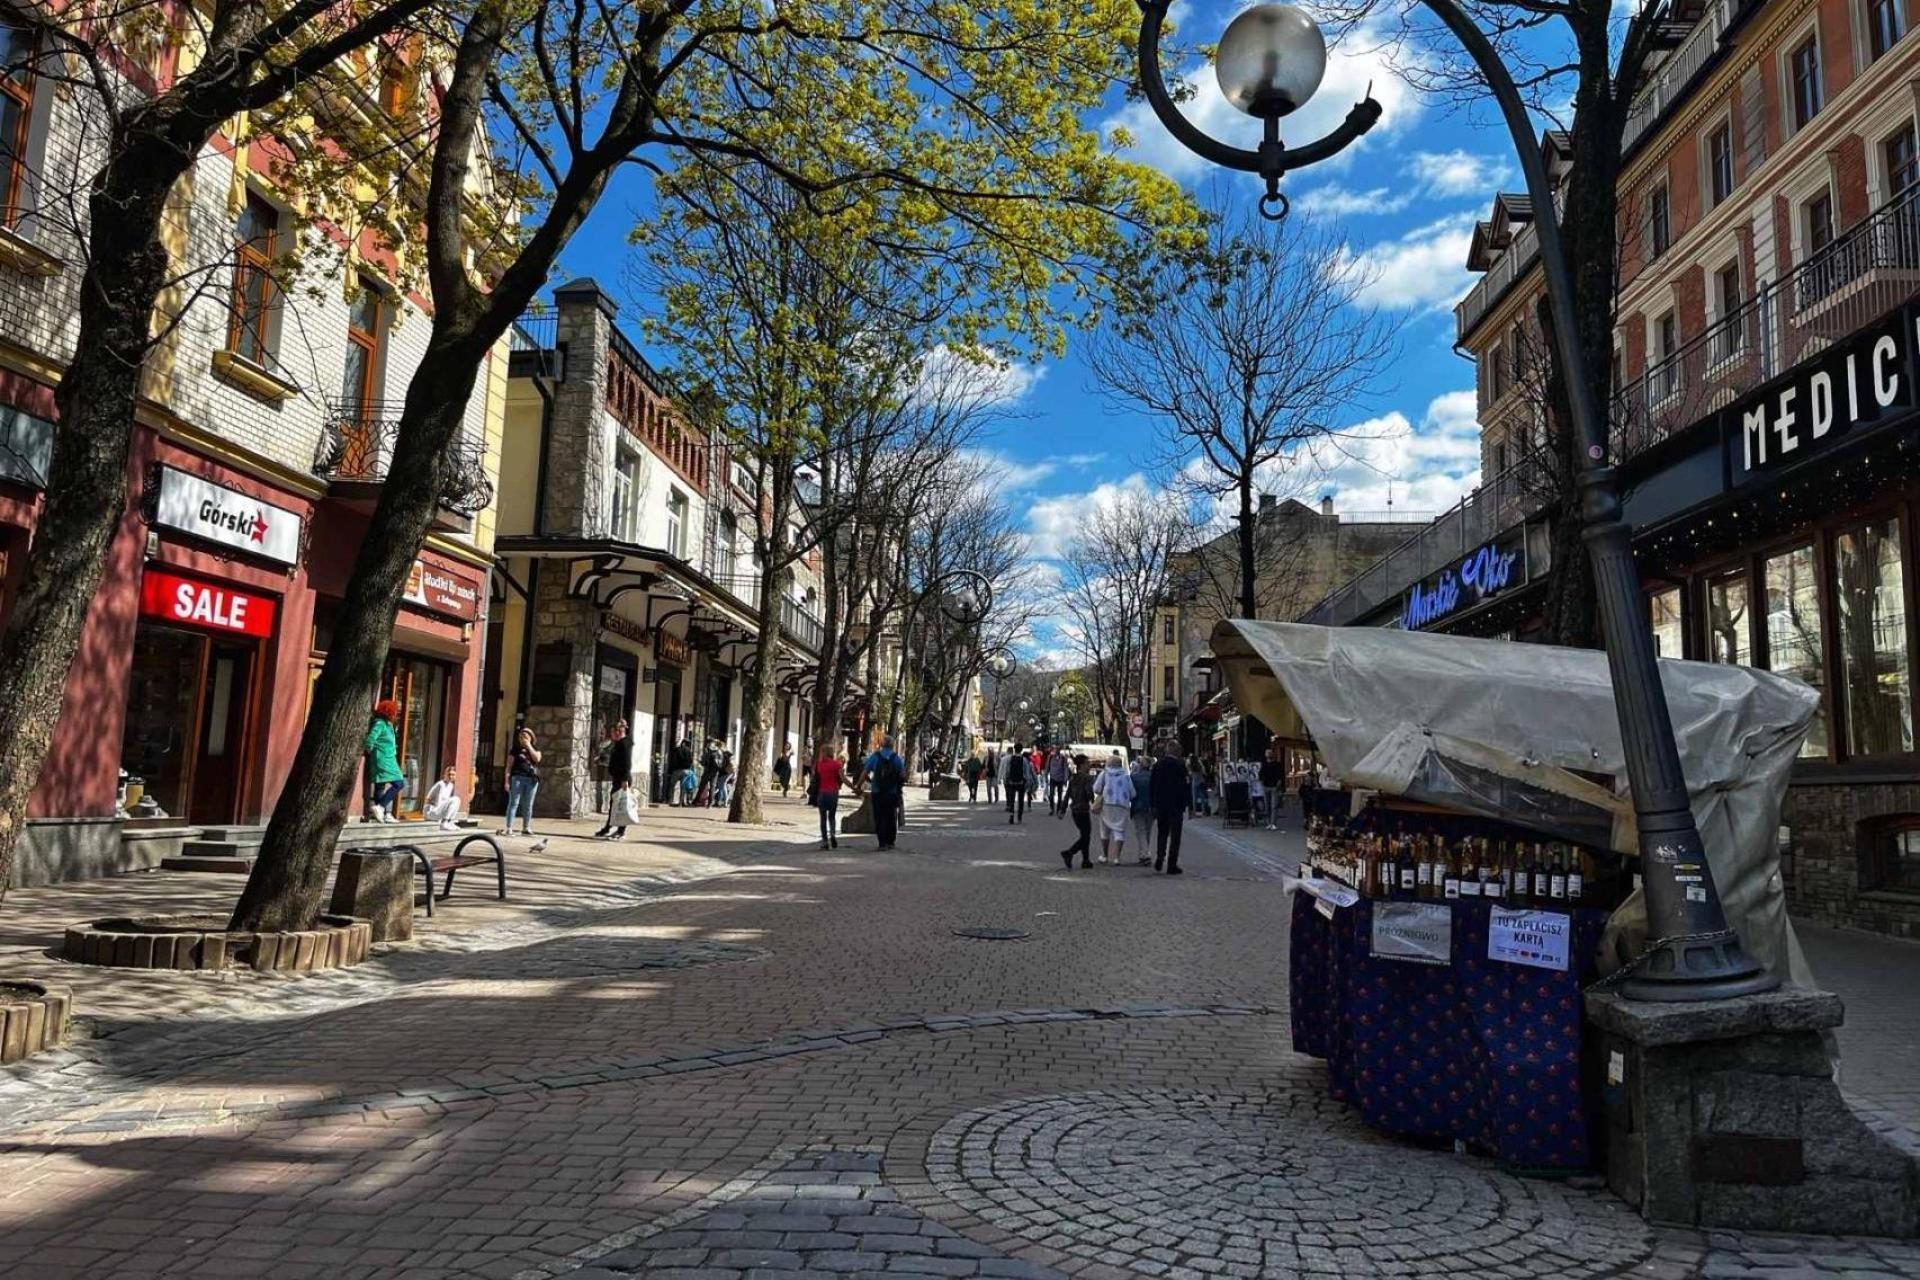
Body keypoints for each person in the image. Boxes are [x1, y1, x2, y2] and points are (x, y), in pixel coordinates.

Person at [1150, 742, 1191, 874]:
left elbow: (1152, 786)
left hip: (1161, 805)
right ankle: (1171, 864)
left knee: (1162, 833)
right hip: (1176, 806)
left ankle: (1160, 857)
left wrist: (1153, 804)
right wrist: (1187, 803)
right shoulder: (1180, 766)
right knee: (1175, 835)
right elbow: (1186, 786)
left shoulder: (1158, 765)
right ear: (1177, 751)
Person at [363, 699, 405, 823]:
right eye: (393, 712)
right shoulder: (380, 723)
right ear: (388, 712)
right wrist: (369, 750)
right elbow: (371, 738)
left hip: (388, 758)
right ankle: (380, 807)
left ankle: (384, 814)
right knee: (399, 783)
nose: (395, 714)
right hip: (382, 758)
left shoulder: (389, 724)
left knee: (380, 786)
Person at [864, 734, 906, 851]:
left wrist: (858, 786)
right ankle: (890, 842)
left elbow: (865, 771)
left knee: (879, 816)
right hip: (892, 792)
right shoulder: (897, 758)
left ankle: (882, 843)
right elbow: (902, 775)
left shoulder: (875, 756)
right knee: (891, 816)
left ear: (882, 744)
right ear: (893, 745)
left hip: (877, 791)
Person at [1092, 752, 1135, 865]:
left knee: (1104, 831)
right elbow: (1133, 793)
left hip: (1107, 804)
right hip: (1122, 806)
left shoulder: (1104, 774)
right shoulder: (1126, 777)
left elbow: (1096, 789)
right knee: (1119, 831)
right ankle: (1117, 857)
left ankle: (1105, 855)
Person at [595, 720, 634, 840]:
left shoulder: (623, 744)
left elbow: (627, 763)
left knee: (620, 804)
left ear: (618, 732)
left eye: (612, 732)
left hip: (622, 779)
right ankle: (609, 828)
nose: (611, 735)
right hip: (618, 778)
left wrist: (625, 779)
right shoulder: (620, 743)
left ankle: (620, 831)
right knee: (615, 805)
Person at [503, 726, 541, 836]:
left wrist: (529, 746)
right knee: (514, 802)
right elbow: (509, 766)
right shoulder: (515, 750)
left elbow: (537, 759)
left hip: (531, 779)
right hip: (517, 778)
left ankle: (526, 827)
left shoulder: (535, 748)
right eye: (521, 736)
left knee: (528, 804)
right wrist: (507, 781)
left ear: (531, 737)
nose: (523, 737)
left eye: (525, 736)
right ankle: (509, 827)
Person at [1059, 754, 1095, 870]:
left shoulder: (1073, 778)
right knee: (1086, 836)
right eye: (1087, 763)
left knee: (1085, 835)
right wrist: (1093, 799)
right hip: (1083, 809)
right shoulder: (1087, 778)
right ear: (1082, 765)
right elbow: (1088, 793)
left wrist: (1062, 810)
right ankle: (1069, 852)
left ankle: (1086, 860)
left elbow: (1067, 794)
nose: (1089, 765)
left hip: (1075, 809)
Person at [810, 746, 845, 849]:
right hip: (833, 793)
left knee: (823, 818)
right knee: (832, 816)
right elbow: (843, 778)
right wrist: (855, 788)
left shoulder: (819, 765)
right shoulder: (836, 765)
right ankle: (833, 834)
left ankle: (825, 841)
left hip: (822, 793)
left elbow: (814, 777)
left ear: (823, 753)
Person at [1128, 755, 1156, 866]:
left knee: (1141, 831)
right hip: (1151, 807)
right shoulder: (1154, 777)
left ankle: (1145, 854)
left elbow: (1131, 793)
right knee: (1147, 831)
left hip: (1137, 806)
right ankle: (1143, 854)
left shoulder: (1134, 777)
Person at [424, 766, 463, 832]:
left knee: (458, 800)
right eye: (449, 774)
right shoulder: (440, 784)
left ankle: (450, 822)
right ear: (445, 775)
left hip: (439, 811)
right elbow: (431, 800)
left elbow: (445, 802)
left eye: (453, 775)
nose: (451, 776)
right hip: (431, 812)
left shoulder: (451, 785)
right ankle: (444, 822)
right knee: (455, 799)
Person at [1002, 742, 1031, 823]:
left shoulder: (1010, 758)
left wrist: (1006, 778)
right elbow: (1026, 772)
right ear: (1021, 750)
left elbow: (1007, 770)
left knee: (1012, 799)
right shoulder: (1024, 760)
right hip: (1021, 782)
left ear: (1015, 749)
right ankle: (1019, 817)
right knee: (1020, 800)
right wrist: (1027, 781)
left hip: (1012, 782)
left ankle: (1011, 815)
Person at [1260, 751, 1286, 831]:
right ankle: (1268, 823)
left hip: (1274, 787)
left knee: (1274, 806)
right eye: (1267, 754)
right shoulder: (1264, 765)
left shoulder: (1277, 764)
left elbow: (1281, 775)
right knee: (1267, 806)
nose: (1269, 755)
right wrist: (1262, 782)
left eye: (1270, 753)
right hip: (1266, 786)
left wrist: (1279, 783)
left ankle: (1273, 823)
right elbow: (1260, 774)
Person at [667, 736, 693, 806]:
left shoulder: (677, 750)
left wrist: (672, 768)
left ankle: (670, 800)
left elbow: (673, 760)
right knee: (683, 787)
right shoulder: (689, 751)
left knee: (672, 785)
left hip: (677, 770)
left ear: (682, 743)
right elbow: (691, 761)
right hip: (686, 770)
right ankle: (681, 803)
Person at [1045, 747, 1070, 817]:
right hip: (1053, 778)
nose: (1056, 752)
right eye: (1055, 750)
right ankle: (1052, 809)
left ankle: (1058, 809)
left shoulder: (1063, 758)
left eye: (1058, 750)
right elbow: (1047, 767)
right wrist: (1046, 776)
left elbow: (1065, 769)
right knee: (1051, 794)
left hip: (1060, 779)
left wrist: (1065, 779)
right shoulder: (1050, 758)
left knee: (1060, 795)